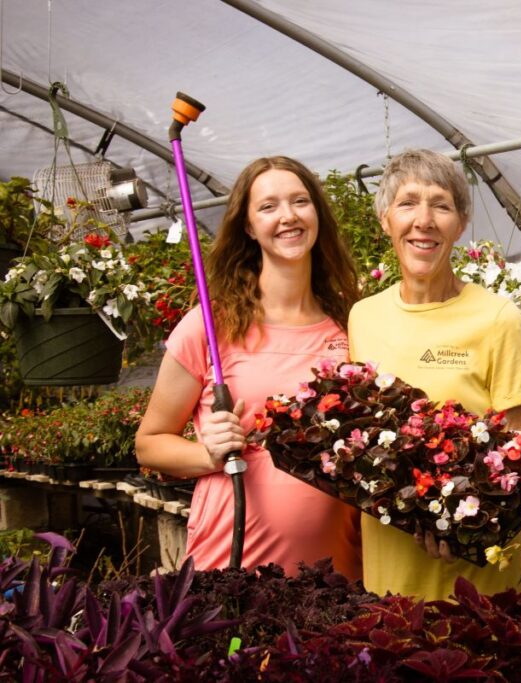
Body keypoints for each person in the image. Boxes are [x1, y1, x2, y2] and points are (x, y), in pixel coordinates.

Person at [136, 156, 362, 580]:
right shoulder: (211, 325)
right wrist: (207, 454)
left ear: (317, 213)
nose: (288, 216)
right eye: (268, 206)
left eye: (300, 201)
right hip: (232, 563)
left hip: (338, 572)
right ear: (247, 225)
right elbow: (149, 443)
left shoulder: (353, 323)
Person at [347, 148, 521, 601]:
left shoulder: (497, 318)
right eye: (408, 203)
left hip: (479, 585)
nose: (424, 220)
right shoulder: (364, 317)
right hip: (389, 576)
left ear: (460, 223)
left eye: (440, 204)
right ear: (385, 221)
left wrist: (462, 525)